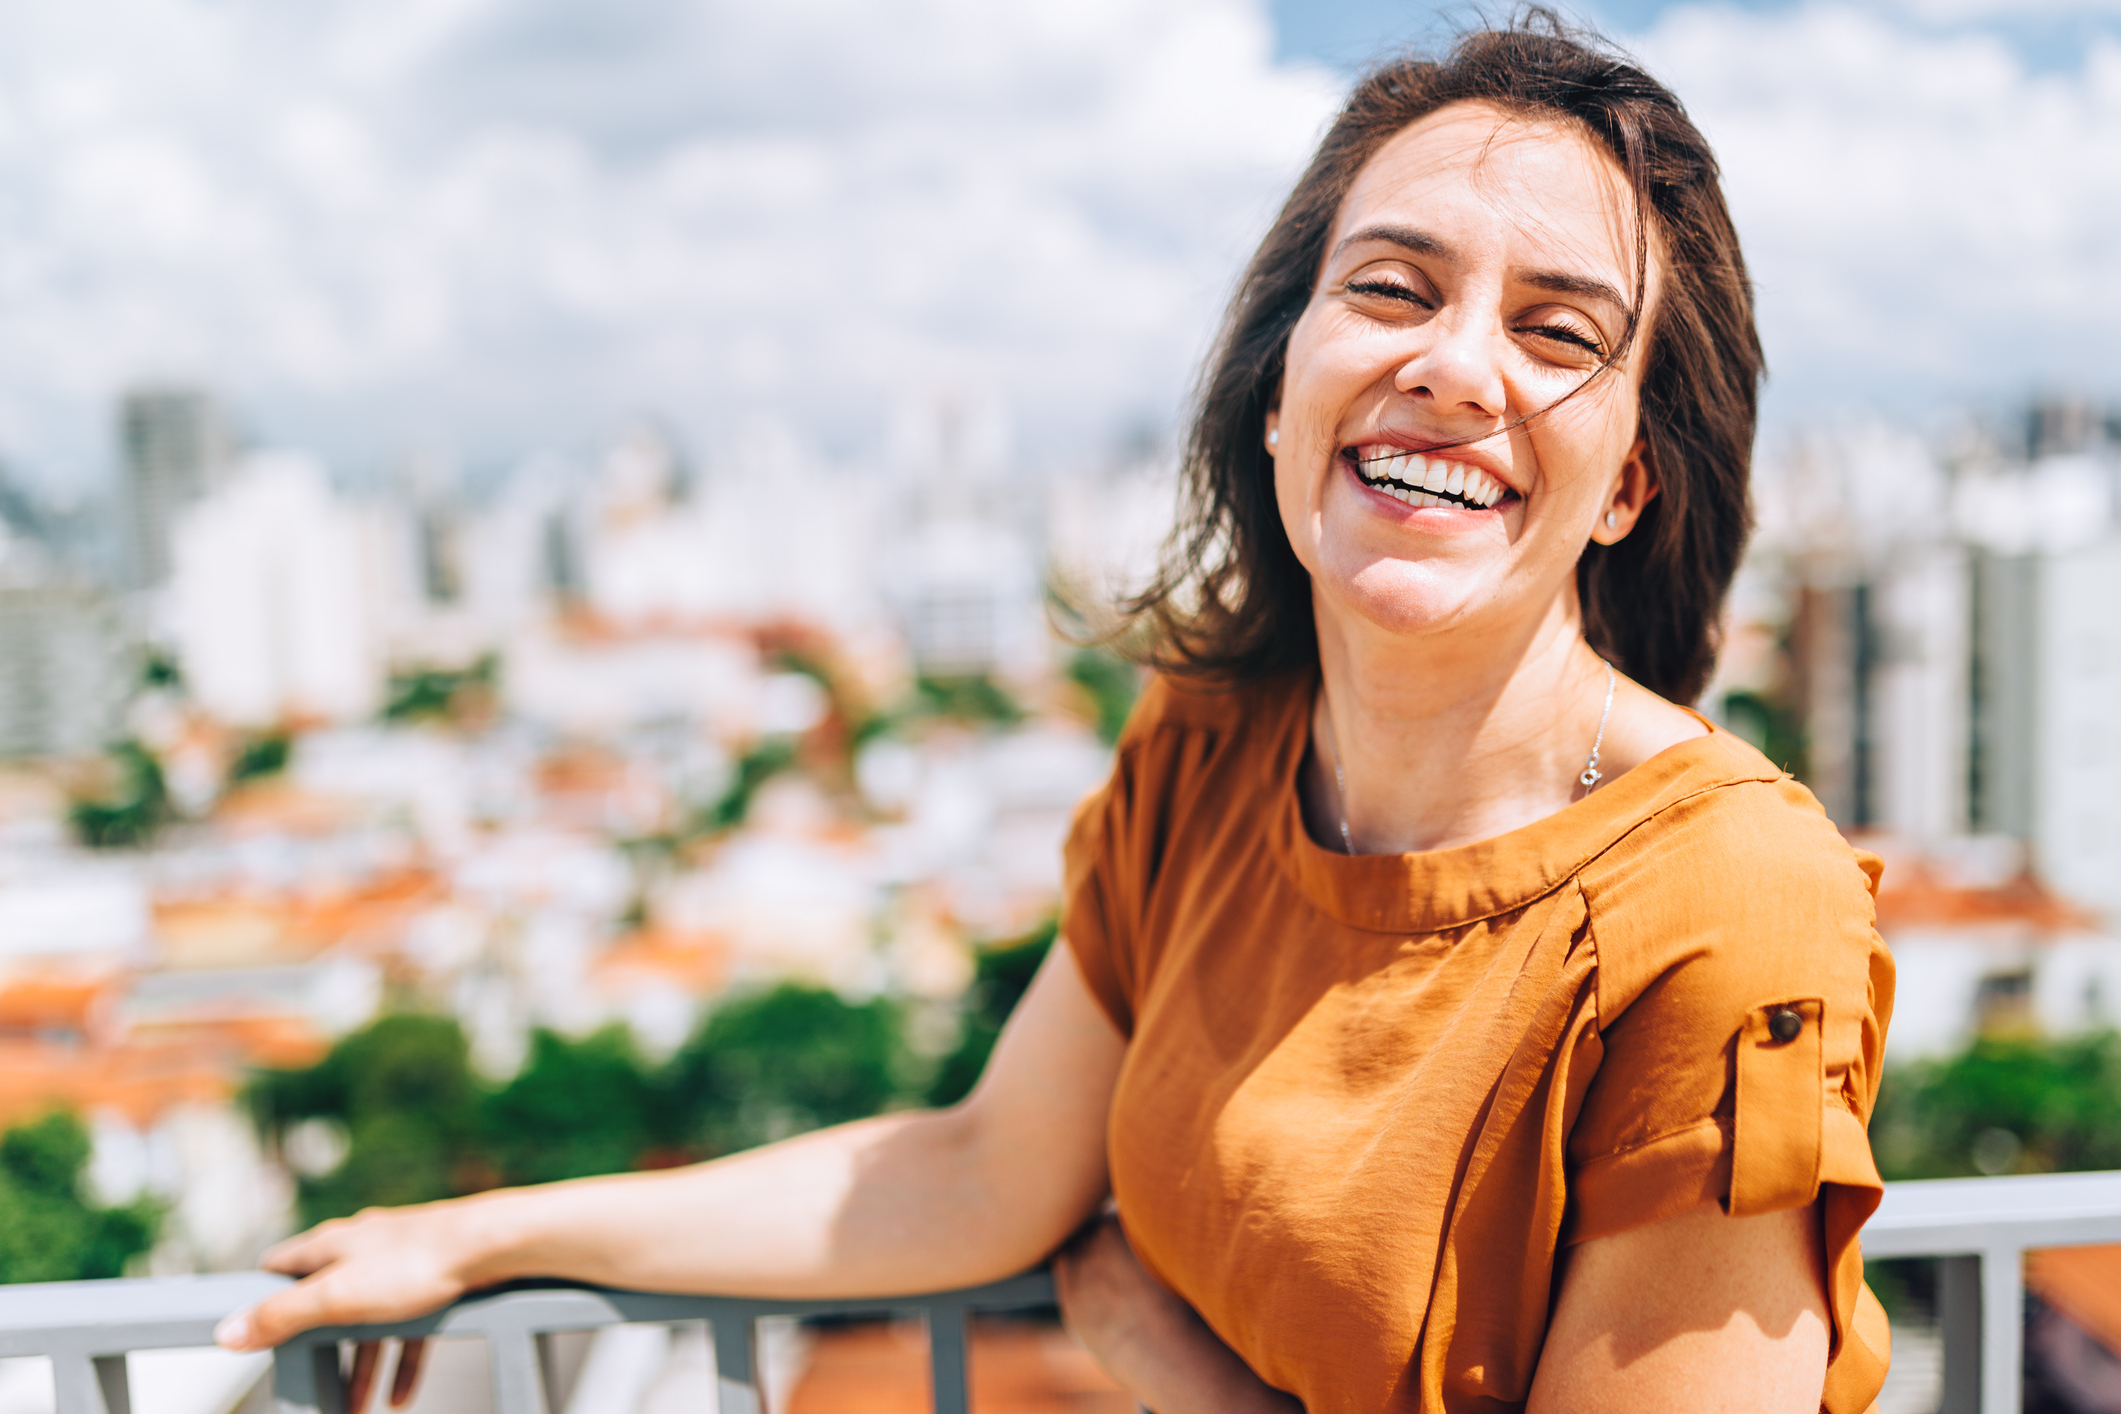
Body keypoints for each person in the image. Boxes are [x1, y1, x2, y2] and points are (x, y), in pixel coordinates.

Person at [216, 13, 1895, 1412]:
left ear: (1630, 482)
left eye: (1555, 331)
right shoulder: (1215, 743)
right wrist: (481, 1235)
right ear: (1280, 384)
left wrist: (1174, 1369)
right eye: (1392, 288)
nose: (1455, 367)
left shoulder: (1724, 906)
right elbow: (977, 1172)